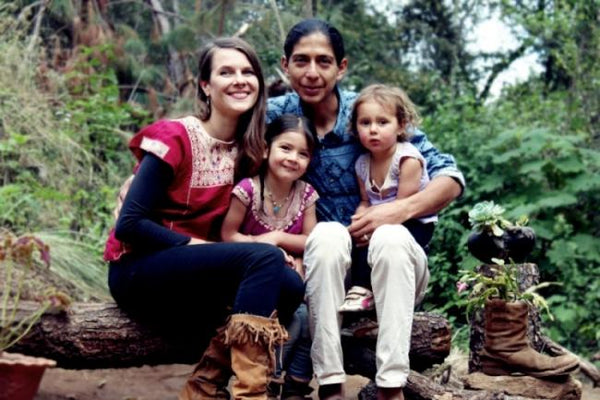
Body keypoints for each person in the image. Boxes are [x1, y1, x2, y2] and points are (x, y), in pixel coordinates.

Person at [267, 19, 465, 400]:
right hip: (326, 271)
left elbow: (450, 177)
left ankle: (393, 386)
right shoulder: (274, 115)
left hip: (392, 270)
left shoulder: (370, 114)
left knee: (390, 236)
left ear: (342, 67)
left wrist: (396, 210)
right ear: (285, 65)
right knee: (325, 235)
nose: (312, 73)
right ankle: (330, 383)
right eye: (301, 61)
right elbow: (216, 132)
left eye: (323, 61)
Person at [103, 37, 304, 400]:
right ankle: (250, 395)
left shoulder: (251, 152)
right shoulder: (176, 136)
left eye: (248, 72)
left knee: (290, 285)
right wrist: (196, 244)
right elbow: (130, 224)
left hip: (196, 277)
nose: (240, 79)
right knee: (266, 259)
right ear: (206, 86)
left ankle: (205, 384)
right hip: (140, 269)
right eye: (226, 72)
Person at [221, 114, 319, 399]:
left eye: (303, 154)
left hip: (294, 281)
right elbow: (228, 235)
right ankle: (267, 379)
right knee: (295, 321)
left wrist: (279, 238)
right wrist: (267, 249)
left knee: (308, 318)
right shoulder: (248, 190)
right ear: (266, 149)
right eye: (285, 148)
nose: (293, 158)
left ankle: (296, 386)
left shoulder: (306, 195)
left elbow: (309, 241)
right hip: (253, 283)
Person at [338, 84, 437, 313]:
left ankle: (367, 288)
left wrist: (373, 225)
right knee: (357, 235)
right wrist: (361, 217)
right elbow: (366, 201)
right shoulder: (362, 163)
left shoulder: (407, 159)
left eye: (382, 122)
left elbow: (402, 207)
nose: (373, 130)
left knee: (382, 236)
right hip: (381, 220)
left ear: (400, 125)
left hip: (413, 223)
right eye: (365, 123)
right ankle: (361, 290)